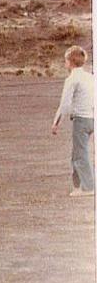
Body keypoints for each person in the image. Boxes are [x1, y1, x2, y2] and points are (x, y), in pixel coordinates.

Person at [52, 45, 95, 197]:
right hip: (91, 118)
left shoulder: (72, 79)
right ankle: (78, 186)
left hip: (81, 120)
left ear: (70, 62)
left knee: (80, 154)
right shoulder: (90, 77)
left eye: (65, 61)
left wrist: (56, 123)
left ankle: (88, 187)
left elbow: (65, 104)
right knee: (77, 153)